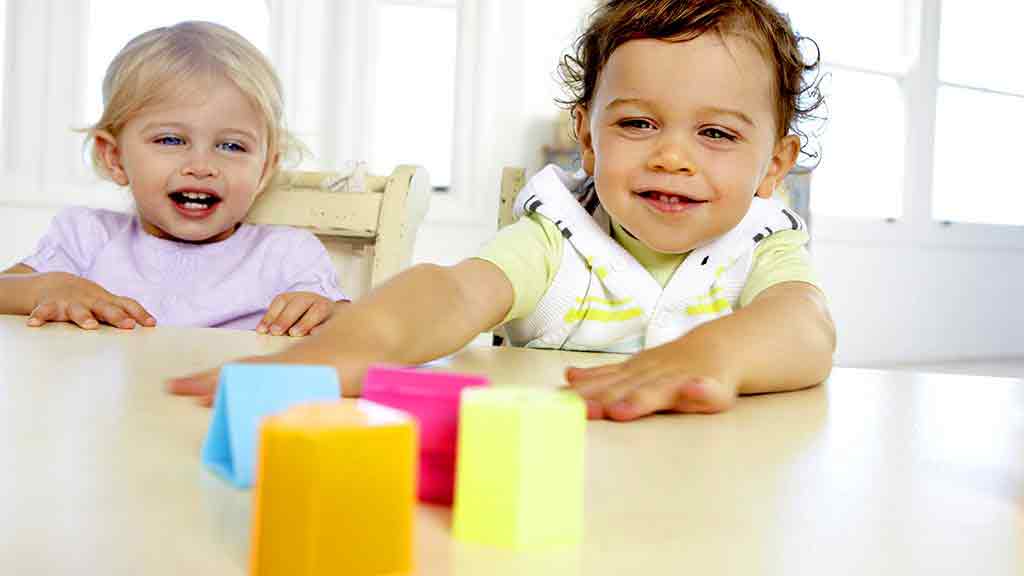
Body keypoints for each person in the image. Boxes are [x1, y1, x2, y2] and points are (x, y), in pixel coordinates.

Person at [171, 0, 836, 420]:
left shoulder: (762, 242)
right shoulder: (560, 239)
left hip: (711, 499)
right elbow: (455, 292)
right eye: (638, 124)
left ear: (776, 164)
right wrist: (353, 347)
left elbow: (805, 328)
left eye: (716, 134)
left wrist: (714, 355)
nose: (672, 157)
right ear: (586, 135)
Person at [0, 21, 347, 335]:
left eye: (231, 145)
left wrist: (326, 313)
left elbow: (354, 329)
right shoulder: (86, 238)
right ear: (115, 157)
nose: (201, 165)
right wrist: (45, 287)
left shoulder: (286, 254)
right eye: (171, 140)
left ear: (265, 169)